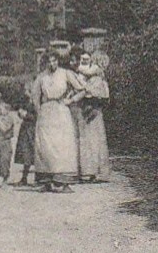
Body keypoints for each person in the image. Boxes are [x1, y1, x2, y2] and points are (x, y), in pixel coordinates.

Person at [30, 49, 80, 193]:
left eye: (54, 60)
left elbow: (81, 89)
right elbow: (35, 95)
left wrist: (70, 100)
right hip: (46, 113)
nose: (52, 64)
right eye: (49, 61)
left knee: (62, 145)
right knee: (45, 146)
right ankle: (46, 180)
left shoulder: (65, 73)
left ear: (58, 61)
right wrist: (39, 110)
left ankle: (62, 181)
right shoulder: (41, 77)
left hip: (61, 111)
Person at [74, 50, 112, 182]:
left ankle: (92, 171)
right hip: (94, 111)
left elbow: (91, 93)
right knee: (94, 140)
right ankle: (92, 170)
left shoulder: (96, 78)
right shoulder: (98, 78)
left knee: (92, 140)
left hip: (93, 111)